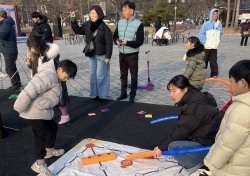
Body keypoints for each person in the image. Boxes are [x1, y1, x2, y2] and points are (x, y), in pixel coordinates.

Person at [13, 59, 77, 176]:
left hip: (44, 110)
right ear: (59, 69)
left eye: (68, 78)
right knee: (40, 136)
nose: (66, 79)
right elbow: (29, 90)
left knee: (52, 128)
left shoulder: (56, 78)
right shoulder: (48, 76)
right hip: (35, 111)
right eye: (66, 76)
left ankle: (49, 150)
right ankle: (39, 163)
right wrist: (19, 106)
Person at [153, 75, 223, 174]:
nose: (171, 95)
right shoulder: (198, 98)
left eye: (174, 91)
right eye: (170, 91)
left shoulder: (192, 107)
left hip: (208, 147)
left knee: (173, 146)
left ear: (185, 90)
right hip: (211, 141)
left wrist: (161, 147)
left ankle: (196, 168)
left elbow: (180, 132)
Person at [191, 60, 250, 176]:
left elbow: (227, 145)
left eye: (231, 82)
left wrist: (209, 167)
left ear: (242, 82)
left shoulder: (242, 109)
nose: (230, 86)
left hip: (231, 168)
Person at [26, 34, 71, 126]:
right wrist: (29, 64)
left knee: (59, 98)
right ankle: (46, 116)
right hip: (43, 80)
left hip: (53, 80)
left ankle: (65, 116)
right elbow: (36, 68)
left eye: (31, 47)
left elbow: (54, 70)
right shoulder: (36, 55)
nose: (31, 50)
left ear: (37, 46)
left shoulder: (50, 55)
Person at [70, 5, 113, 101]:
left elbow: (109, 43)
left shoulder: (104, 27)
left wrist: (108, 56)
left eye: (93, 13)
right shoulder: (87, 25)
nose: (91, 15)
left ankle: (102, 95)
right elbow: (78, 30)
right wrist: (73, 19)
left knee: (101, 76)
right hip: (91, 54)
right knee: (93, 75)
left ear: (99, 14)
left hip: (102, 55)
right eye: (90, 13)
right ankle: (94, 94)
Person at [113, 1, 144, 103]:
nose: (123, 12)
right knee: (123, 75)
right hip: (121, 53)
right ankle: (123, 93)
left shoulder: (139, 24)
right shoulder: (120, 22)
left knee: (133, 75)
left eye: (125, 10)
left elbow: (140, 41)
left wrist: (128, 43)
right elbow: (115, 35)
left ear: (132, 11)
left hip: (132, 54)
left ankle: (132, 95)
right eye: (123, 10)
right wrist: (116, 41)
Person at [0, 9, 21, 91]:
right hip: (8, 49)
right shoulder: (4, 24)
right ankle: (17, 83)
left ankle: (15, 84)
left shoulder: (6, 24)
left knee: (9, 68)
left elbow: (2, 35)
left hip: (9, 50)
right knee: (12, 67)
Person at [199, 8, 223, 78]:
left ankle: (214, 74)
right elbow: (201, 33)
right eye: (214, 14)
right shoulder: (206, 24)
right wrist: (204, 42)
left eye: (216, 14)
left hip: (214, 47)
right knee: (204, 61)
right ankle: (202, 74)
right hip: (206, 46)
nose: (215, 15)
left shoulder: (219, 24)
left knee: (213, 61)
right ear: (211, 15)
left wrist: (218, 40)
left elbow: (221, 33)